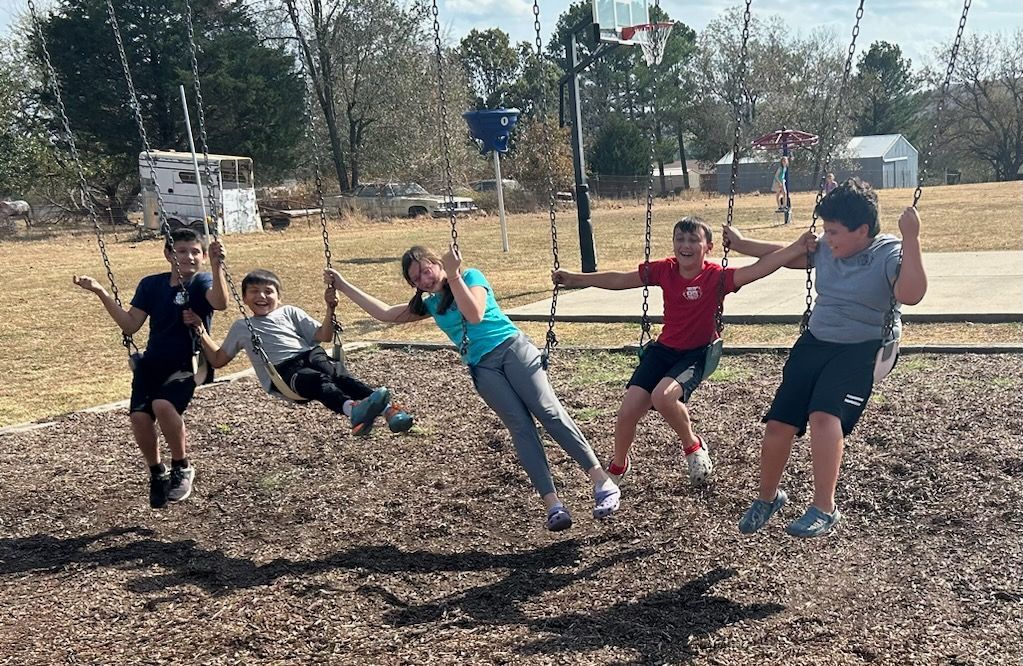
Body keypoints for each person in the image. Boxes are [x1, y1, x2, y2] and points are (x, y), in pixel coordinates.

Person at [325, 245, 621, 532]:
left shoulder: (470, 277)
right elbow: (386, 313)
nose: (425, 280)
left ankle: (601, 481)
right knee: (520, 428)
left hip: (512, 350)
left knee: (547, 411)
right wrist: (343, 285)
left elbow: (475, 313)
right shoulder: (430, 304)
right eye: (417, 279)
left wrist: (454, 275)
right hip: (483, 367)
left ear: (438, 263)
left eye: (426, 271)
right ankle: (553, 504)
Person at [724, 178, 927, 538]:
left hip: (864, 348)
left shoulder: (889, 253)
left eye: (833, 232)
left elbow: (911, 294)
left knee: (823, 415)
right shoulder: (829, 248)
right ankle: (768, 498)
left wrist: (912, 237)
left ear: (862, 230)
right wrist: (740, 244)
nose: (827, 239)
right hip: (817, 340)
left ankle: (824, 507)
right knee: (779, 423)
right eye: (825, 230)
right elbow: (788, 252)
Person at [552, 216, 815, 489]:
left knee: (663, 397)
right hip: (663, 350)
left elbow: (760, 268)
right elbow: (620, 279)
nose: (685, 245)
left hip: (696, 354)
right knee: (628, 410)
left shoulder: (717, 277)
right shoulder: (665, 270)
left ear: (708, 247)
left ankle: (693, 447)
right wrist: (577, 279)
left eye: (693, 240)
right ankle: (618, 465)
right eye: (680, 239)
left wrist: (796, 248)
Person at [73, 228, 229, 509]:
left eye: (195, 252)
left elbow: (221, 302)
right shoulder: (151, 285)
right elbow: (131, 324)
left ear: (204, 256)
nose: (189, 257)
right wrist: (100, 292)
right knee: (139, 419)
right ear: (169, 254)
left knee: (163, 406)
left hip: (186, 363)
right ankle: (157, 472)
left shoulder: (202, 281)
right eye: (181, 251)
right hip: (152, 363)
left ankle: (182, 465)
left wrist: (218, 267)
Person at [185, 268, 413, 437]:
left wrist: (330, 308)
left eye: (268, 291)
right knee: (319, 381)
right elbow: (218, 360)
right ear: (244, 298)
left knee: (338, 374)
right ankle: (353, 411)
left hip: (311, 354)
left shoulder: (289, 312)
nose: (262, 296)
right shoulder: (242, 327)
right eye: (254, 291)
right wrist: (201, 332)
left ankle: (387, 412)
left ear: (279, 297)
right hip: (283, 373)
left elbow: (324, 336)